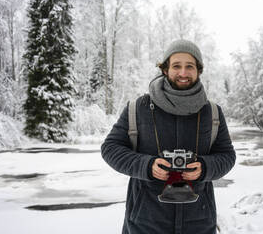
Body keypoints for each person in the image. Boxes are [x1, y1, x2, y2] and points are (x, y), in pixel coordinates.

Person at [101, 39, 236, 234]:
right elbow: (110, 148)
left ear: (198, 70)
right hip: (145, 222)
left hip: (199, 222)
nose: (183, 73)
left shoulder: (212, 112)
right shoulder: (138, 108)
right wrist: (146, 166)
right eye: (176, 66)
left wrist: (204, 168)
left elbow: (227, 156)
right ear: (165, 69)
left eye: (189, 66)